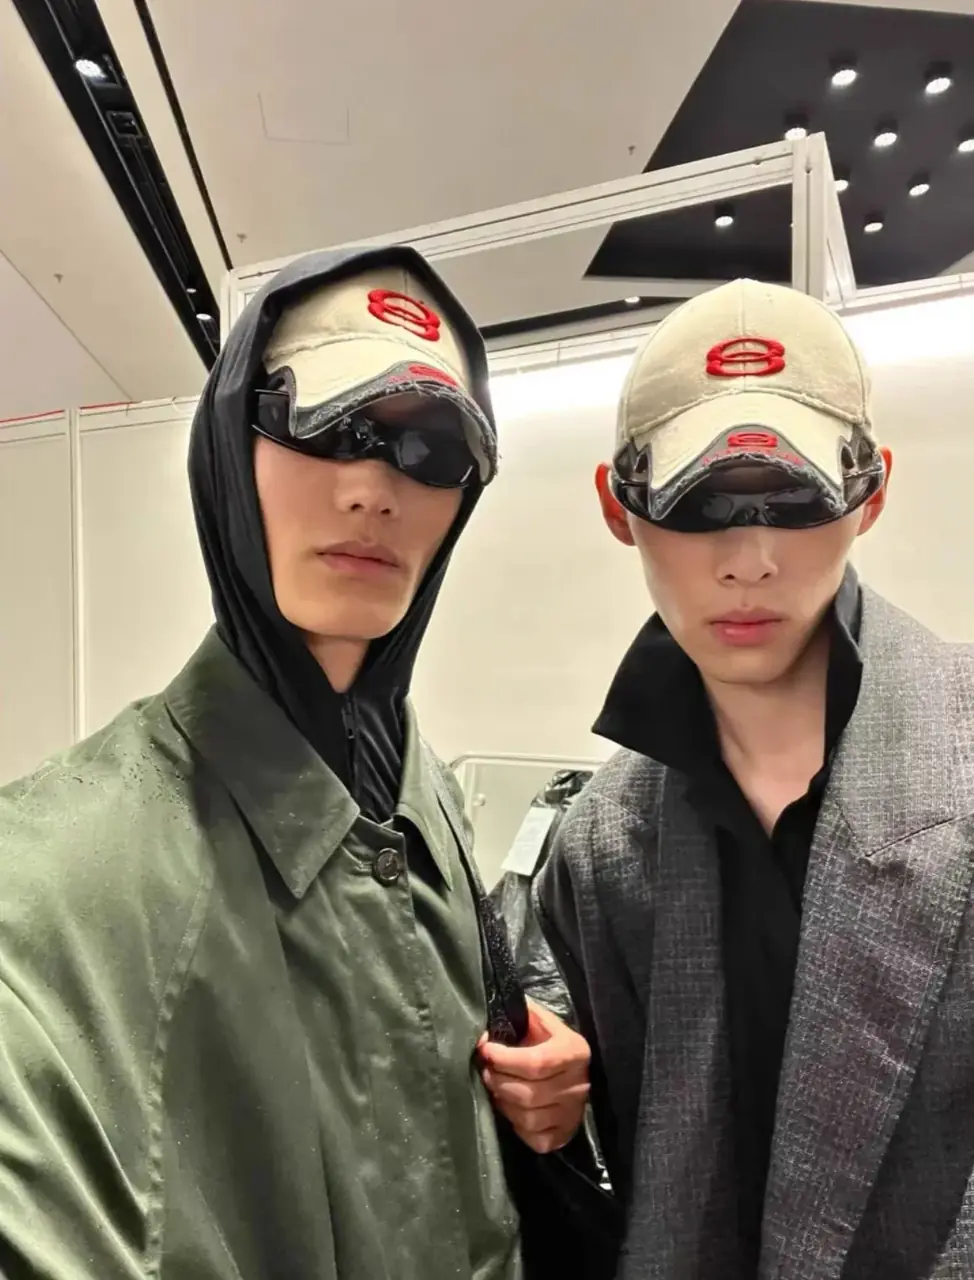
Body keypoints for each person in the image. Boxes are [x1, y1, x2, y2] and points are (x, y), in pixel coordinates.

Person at [0, 245, 592, 1280]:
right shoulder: (45, 881)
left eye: (432, 447)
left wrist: (537, 1089)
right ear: (231, 447)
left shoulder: (429, 796)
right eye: (325, 424)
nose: (374, 489)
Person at [535, 278, 974, 1280]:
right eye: (699, 503)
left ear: (869, 494)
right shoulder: (598, 846)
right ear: (618, 506)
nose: (748, 559)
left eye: (793, 498)